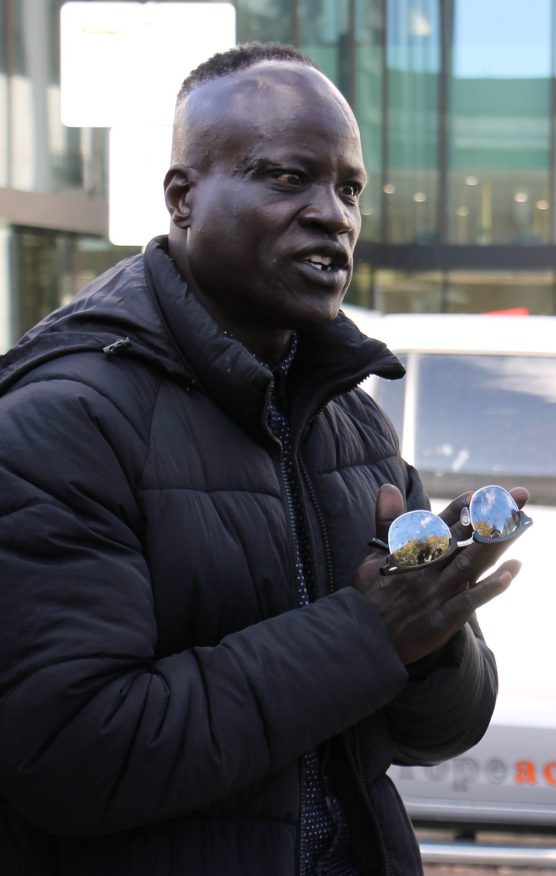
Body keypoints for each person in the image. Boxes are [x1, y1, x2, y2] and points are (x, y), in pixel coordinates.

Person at [0, 43, 524, 875]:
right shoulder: (63, 422)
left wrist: (434, 627)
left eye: (349, 187)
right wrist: (369, 631)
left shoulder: (356, 424)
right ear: (183, 198)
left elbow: (442, 732)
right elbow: (68, 755)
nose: (334, 215)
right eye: (288, 178)